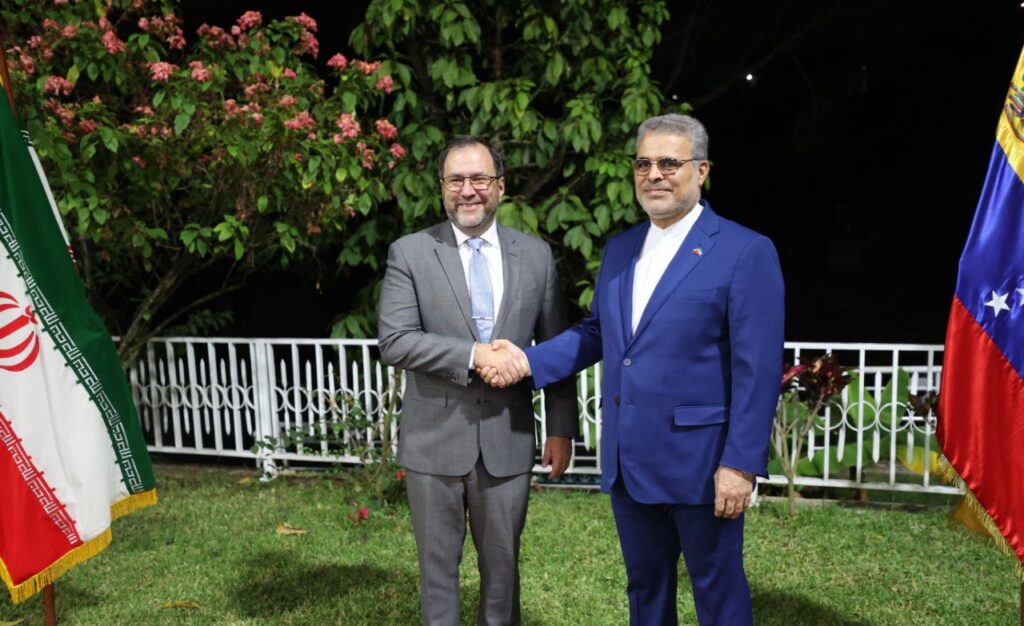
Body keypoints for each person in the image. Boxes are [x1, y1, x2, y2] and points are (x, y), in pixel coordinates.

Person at [480, 114, 784, 625]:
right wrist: (524, 362)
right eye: (643, 163)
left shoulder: (745, 251)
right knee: (644, 592)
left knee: (719, 594)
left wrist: (741, 464)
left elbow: (758, 369)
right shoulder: (622, 248)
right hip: (630, 462)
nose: (654, 174)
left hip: (704, 465)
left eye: (670, 162)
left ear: (702, 170)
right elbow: (599, 333)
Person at [377, 135, 578, 626]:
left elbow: (554, 347)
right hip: (433, 443)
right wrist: (472, 354)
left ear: (500, 186)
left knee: (503, 575)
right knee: (438, 574)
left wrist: (560, 428)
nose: (468, 190)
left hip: (508, 441)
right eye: (456, 180)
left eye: (480, 179)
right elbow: (395, 340)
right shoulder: (411, 252)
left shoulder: (534, 256)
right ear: (443, 187)